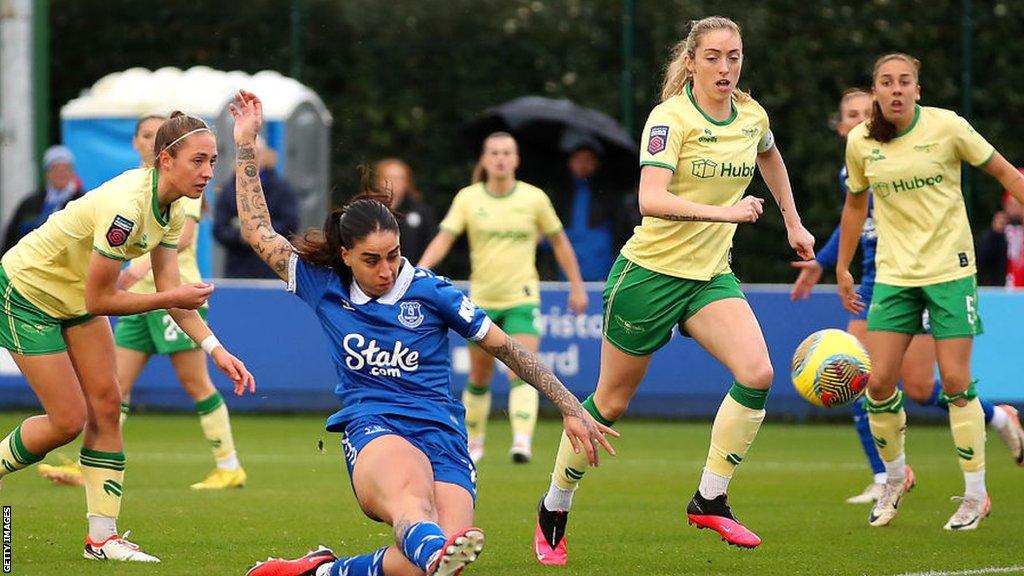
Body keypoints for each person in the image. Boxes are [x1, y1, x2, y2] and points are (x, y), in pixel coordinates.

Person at [229, 89, 614, 576]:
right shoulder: (321, 282)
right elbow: (258, 230)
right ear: (345, 255)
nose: (387, 269)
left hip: (443, 434)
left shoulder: (434, 292)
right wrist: (246, 143)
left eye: (393, 255)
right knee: (417, 511)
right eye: (371, 260)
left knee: (434, 562)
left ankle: (320, 572)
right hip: (375, 426)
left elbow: (507, 348)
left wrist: (569, 405)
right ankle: (428, 547)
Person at [533, 16, 816, 563]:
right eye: (712, 56)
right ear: (690, 62)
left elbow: (770, 155)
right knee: (609, 404)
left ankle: (710, 498)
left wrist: (793, 221)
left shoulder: (751, 114)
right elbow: (650, 199)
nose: (725, 67)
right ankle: (554, 506)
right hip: (648, 276)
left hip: (709, 277)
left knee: (758, 373)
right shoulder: (669, 118)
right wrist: (727, 212)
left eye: (733, 56)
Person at [0, 111, 255, 562]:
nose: (208, 172)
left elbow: (173, 295)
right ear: (165, 159)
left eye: (213, 161)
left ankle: (102, 539)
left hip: (75, 300)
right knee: (66, 421)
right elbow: (104, 299)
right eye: (198, 161)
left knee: (107, 407)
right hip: (27, 292)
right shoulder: (128, 206)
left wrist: (216, 349)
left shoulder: (172, 209)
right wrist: (170, 296)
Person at [791, 90, 1024, 504]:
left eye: (868, 111)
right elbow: (853, 220)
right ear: (842, 127)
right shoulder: (854, 165)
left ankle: (997, 417)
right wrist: (826, 263)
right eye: (852, 115)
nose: (861, 120)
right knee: (863, 378)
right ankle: (886, 476)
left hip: (912, 278)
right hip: (873, 282)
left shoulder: (899, 156)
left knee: (918, 387)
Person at [37, 114, 249, 490]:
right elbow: (100, 292)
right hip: (135, 300)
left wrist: (137, 270)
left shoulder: (181, 190)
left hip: (170, 296)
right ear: (141, 144)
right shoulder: (136, 193)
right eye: (147, 135)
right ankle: (92, 467)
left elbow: (183, 240)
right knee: (113, 389)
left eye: (212, 161)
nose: (207, 171)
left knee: (196, 382)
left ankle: (229, 464)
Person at [418, 132, 589, 465]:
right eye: (493, 152)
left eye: (506, 153)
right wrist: (420, 270)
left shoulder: (534, 198)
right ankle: (474, 443)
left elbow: (560, 242)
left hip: (522, 297)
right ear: (484, 160)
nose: (500, 158)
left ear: (516, 160)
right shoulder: (468, 199)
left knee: (522, 369)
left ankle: (521, 441)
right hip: (482, 300)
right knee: (479, 377)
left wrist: (577, 286)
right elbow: (444, 238)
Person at [547, 142, 637, 282]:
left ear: (597, 163)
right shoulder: (559, 194)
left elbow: (622, 230)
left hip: (602, 269)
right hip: (565, 270)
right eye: (578, 159)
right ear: (570, 163)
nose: (583, 164)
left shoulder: (610, 194)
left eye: (588, 160)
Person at [214, 137, 299, 278]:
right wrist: (242, 236)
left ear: (264, 155)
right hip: (238, 271)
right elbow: (219, 229)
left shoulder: (282, 188)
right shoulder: (228, 189)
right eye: (245, 154)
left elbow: (290, 225)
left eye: (255, 153)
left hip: (272, 270)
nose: (251, 158)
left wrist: (257, 233)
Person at [2, 145, 86, 254]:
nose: (61, 173)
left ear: (72, 172)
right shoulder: (29, 204)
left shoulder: (82, 202)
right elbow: (11, 236)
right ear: (47, 173)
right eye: (55, 168)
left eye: (65, 168)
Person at [373, 158, 438, 265]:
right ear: (378, 181)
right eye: (390, 178)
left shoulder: (422, 211)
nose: (394, 183)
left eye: (400, 178)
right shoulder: (368, 210)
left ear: (407, 182)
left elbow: (433, 244)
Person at [976, 174, 1024, 287]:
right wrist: (994, 234)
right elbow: (979, 262)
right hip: (1001, 296)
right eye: (1014, 202)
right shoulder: (1000, 232)